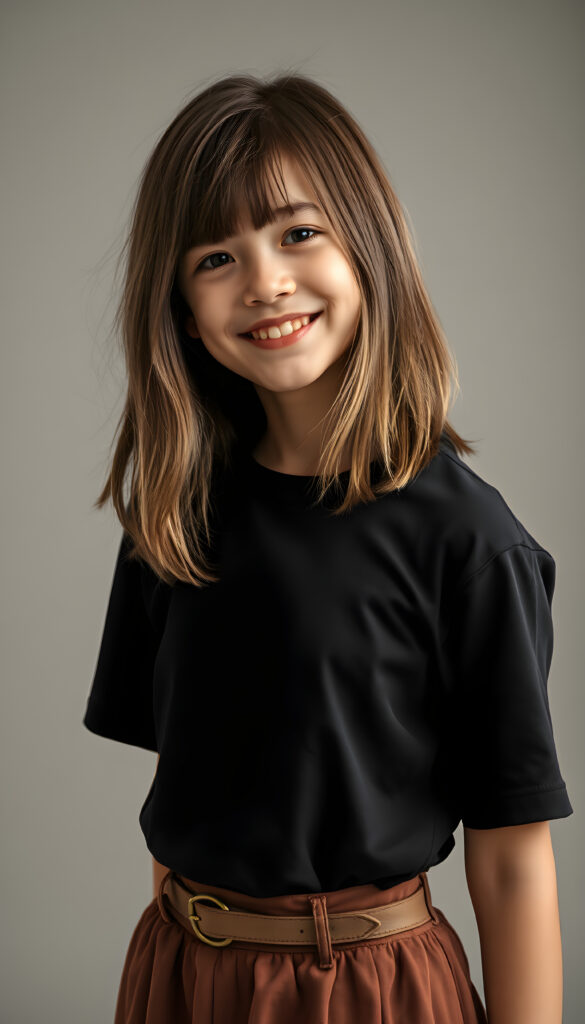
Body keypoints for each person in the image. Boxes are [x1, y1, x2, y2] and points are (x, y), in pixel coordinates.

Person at [82, 71, 573, 1024]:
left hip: (367, 992)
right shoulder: (173, 516)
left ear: (370, 249)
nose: (264, 280)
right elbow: (182, 789)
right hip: (178, 975)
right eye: (214, 256)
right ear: (181, 308)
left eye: (298, 233)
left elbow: (512, 863)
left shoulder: (468, 541)